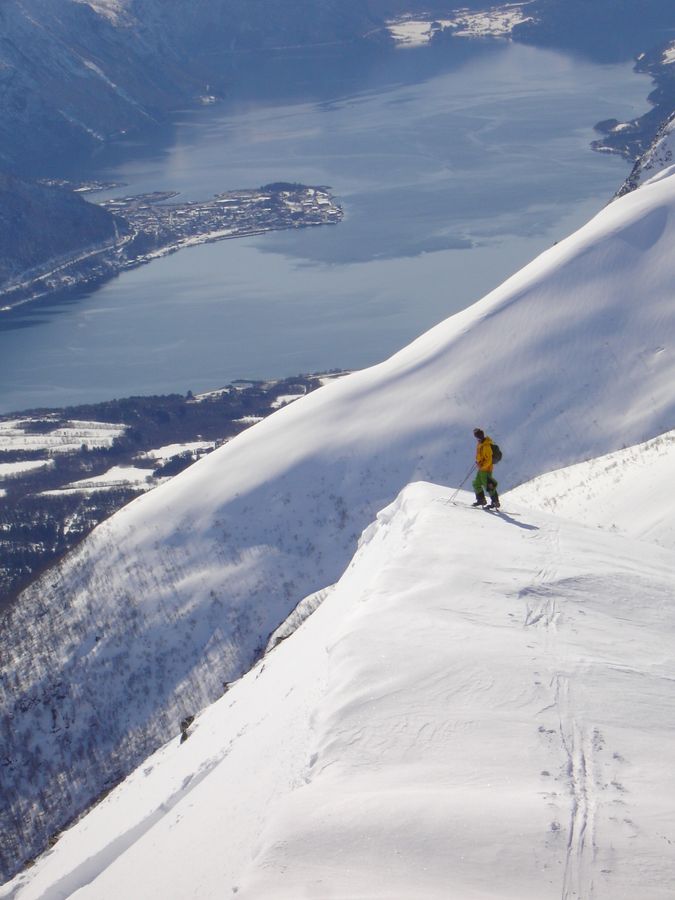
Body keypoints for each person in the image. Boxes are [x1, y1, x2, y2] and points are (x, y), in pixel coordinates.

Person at [472, 428, 500, 509]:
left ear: (479, 437)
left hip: (486, 469)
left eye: (476, 437)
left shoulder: (486, 446)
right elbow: (480, 456)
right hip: (481, 469)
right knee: (476, 483)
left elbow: (489, 460)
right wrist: (478, 461)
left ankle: (495, 502)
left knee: (489, 486)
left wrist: (482, 466)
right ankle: (481, 500)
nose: (476, 439)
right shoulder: (480, 444)